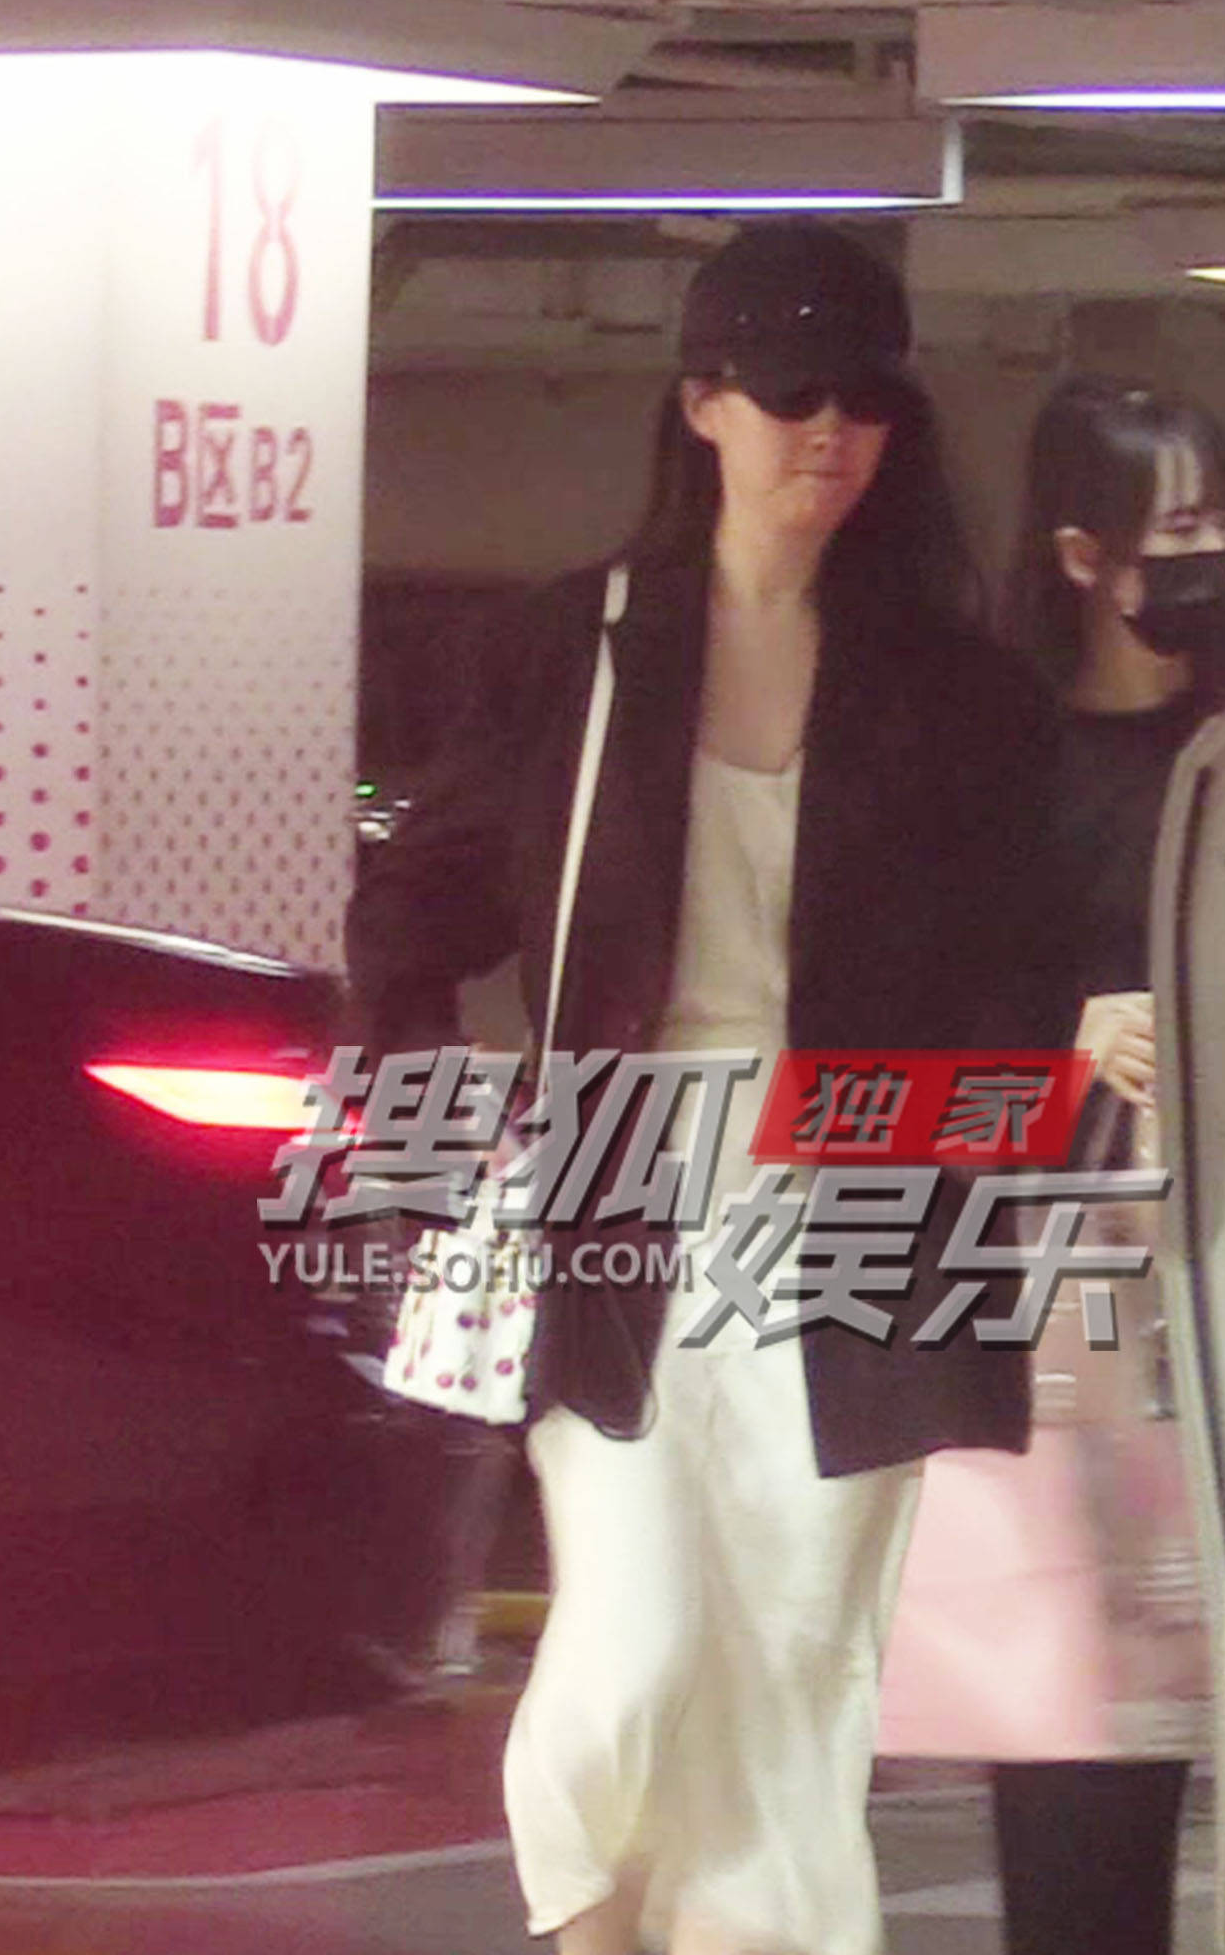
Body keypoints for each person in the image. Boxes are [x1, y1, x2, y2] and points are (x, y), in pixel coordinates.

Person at [342, 220, 1074, 1955]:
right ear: (703, 406)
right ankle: (589, 1914)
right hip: (625, 1201)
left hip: (858, 1203)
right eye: (792, 393)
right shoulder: (578, 654)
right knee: (642, 1638)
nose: (831, 433)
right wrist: (432, 1143)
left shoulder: (958, 694)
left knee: (802, 1667)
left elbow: (1015, 982)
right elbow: (412, 912)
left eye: (867, 401)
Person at [896, 376, 1225, 1955]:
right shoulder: (995, 754)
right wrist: (1068, 1035)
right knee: (1078, 1711)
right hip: (1066, 1269)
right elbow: (918, 1031)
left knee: (1223, 1701)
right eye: (1177, 532)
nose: (1210, 561)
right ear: (1081, 556)